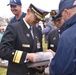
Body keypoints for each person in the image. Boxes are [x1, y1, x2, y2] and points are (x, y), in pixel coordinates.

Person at [0, 3, 48, 75]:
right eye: (36, 18)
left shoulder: (38, 31)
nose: (37, 21)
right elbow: (3, 51)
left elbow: (38, 51)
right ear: (28, 11)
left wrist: (40, 67)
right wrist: (26, 56)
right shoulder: (13, 28)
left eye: (39, 20)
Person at [48, 0, 76, 75]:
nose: (56, 23)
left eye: (60, 18)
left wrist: (53, 63)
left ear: (67, 12)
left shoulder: (68, 35)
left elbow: (59, 70)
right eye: (54, 21)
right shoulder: (52, 34)